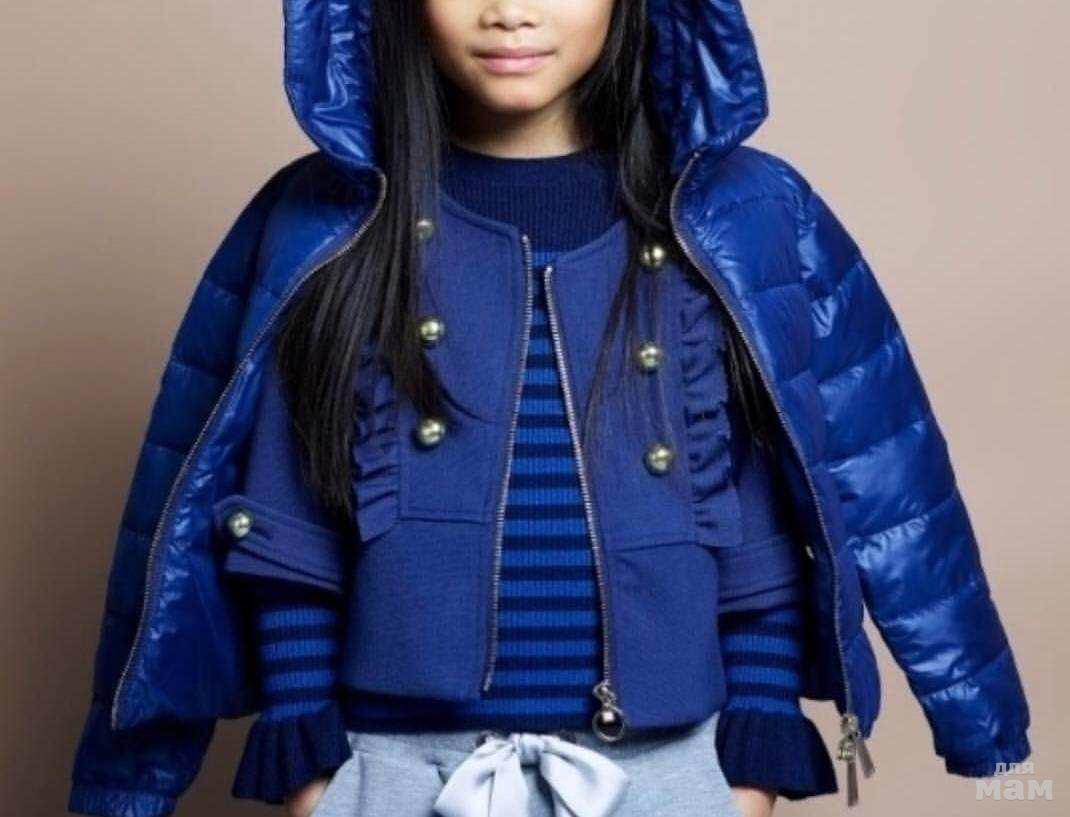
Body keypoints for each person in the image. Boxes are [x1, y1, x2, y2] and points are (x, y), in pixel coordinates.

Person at [67, 1, 1031, 817]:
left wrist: (754, 759)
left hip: (673, 767)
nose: (510, 11)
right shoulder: (327, 222)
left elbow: (829, 495)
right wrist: (309, 766)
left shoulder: (742, 218)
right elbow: (270, 510)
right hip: (391, 769)